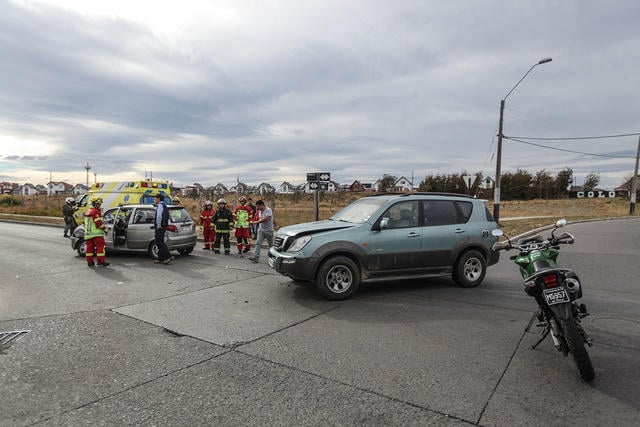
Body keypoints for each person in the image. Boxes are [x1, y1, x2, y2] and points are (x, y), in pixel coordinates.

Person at [83, 197, 109, 267]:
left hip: (88, 234)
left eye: (100, 204)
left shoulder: (88, 211)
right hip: (96, 234)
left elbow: (84, 223)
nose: (99, 205)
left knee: (89, 249)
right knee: (101, 247)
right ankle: (100, 261)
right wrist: (105, 229)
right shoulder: (95, 211)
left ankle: (90, 262)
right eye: (97, 204)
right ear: (94, 204)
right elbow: (98, 223)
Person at [153, 193, 173, 265]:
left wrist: (158, 227)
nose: (154, 199)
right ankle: (161, 258)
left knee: (160, 242)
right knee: (159, 242)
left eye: (155, 198)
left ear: (158, 198)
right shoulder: (164, 205)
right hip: (163, 226)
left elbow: (159, 217)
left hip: (160, 227)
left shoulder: (160, 206)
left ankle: (168, 256)